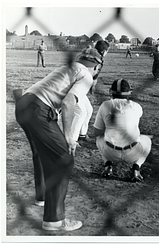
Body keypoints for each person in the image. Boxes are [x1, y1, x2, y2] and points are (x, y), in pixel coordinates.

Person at [15, 47, 104, 231]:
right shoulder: (86, 75)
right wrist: (70, 137)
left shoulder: (68, 67)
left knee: (41, 153)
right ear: (97, 67)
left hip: (23, 104)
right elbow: (69, 102)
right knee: (63, 159)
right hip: (39, 109)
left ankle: (41, 197)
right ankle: (54, 220)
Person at [93, 79, 152, 182]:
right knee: (147, 140)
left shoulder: (105, 105)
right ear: (129, 92)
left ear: (111, 91)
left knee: (99, 138)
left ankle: (108, 165)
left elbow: (96, 132)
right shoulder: (136, 106)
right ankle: (136, 168)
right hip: (133, 153)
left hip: (110, 152)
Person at [73, 40, 110, 144]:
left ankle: (82, 135)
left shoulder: (86, 52)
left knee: (88, 110)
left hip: (75, 82)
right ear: (104, 51)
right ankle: (72, 140)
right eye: (107, 51)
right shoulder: (100, 60)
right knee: (80, 112)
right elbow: (93, 79)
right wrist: (91, 88)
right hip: (74, 85)